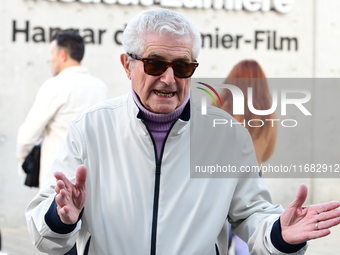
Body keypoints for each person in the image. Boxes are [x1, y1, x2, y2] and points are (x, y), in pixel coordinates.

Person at [25, 9, 340, 255]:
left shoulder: (227, 136)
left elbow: (251, 215)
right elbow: (46, 234)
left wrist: (278, 234)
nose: (169, 78)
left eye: (183, 66)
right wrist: (61, 218)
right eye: (155, 64)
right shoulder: (90, 129)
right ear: (126, 64)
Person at [16, 29, 108, 187]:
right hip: (91, 181)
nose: (50, 59)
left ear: (63, 55)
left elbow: (28, 134)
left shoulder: (55, 85)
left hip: (57, 183)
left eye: (52, 53)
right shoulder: (100, 88)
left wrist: (22, 161)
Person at [217, 60, 278, 255]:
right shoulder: (269, 115)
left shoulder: (219, 111)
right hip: (251, 186)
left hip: (219, 185)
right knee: (251, 241)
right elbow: (268, 154)